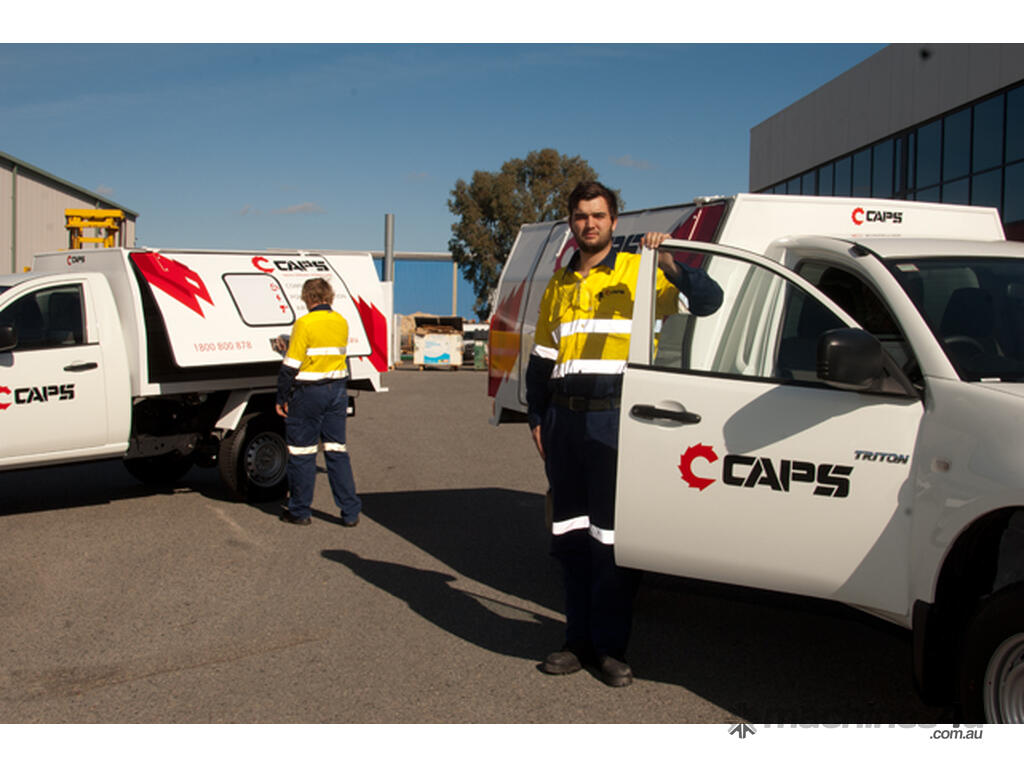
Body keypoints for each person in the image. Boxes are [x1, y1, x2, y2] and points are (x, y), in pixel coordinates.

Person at [525, 181, 723, 686]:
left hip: (616, 421)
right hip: (564, 422)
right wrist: (536, 418)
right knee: (569, 537)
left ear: (614, 221)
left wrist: (671, 264)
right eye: (580, 216)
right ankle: (576, 641)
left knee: (610, 541)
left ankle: (610, 649)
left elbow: (709, 301)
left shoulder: (641, 271)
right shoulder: (560, 283)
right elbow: (543, 358)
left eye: (598, 215)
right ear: (571, 223)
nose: (589, 224)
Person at [275, 277, 362, 527]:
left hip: (309, 393)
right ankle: (350, 512)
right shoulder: (341, 322)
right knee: (336, 451)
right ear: (329, 296)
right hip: (337, 391)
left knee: (302, 453)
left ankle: (300, 511)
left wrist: (281, 397)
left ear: (307, 297)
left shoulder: (304, 323)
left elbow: (291, 365)